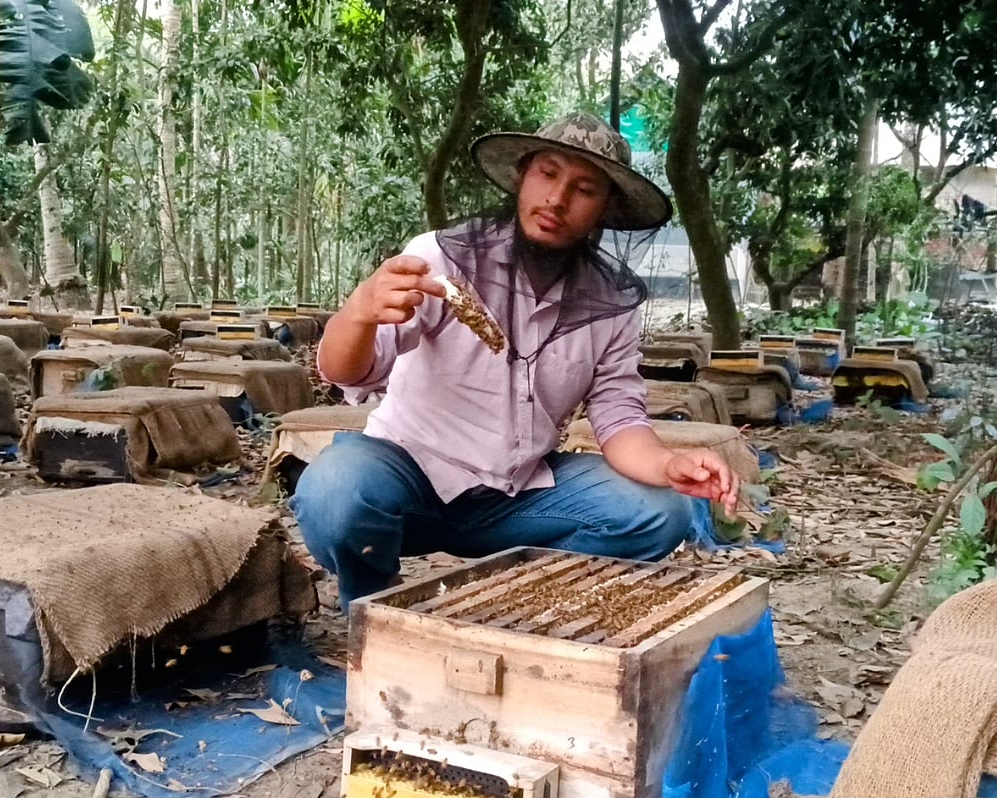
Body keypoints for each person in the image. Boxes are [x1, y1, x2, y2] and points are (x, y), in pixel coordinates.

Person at [290, 111, 740, 608]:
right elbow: (344, 370)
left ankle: (524, 597)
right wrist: (359, 312)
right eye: (547, 174)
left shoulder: (609, 303)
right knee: (333, 490)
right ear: (522, 176)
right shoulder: (441, 260)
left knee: (660, 512)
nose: (557, 199)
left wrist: (668, 462)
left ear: (605, 209)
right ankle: (369, 600)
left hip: (519, 497)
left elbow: (619, 418)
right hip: (406, 478)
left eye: (584, 189)